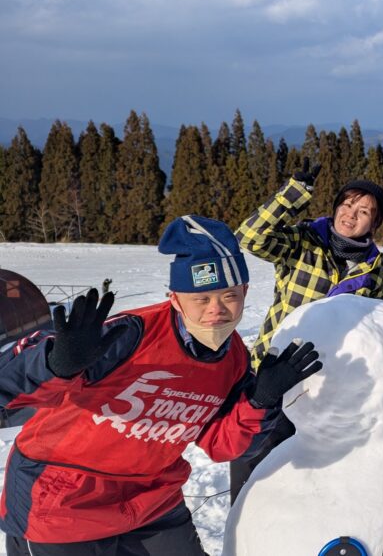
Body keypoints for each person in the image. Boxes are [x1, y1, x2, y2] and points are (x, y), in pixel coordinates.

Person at [0, 215, 321, 556]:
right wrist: (55, 363)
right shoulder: (130, 336)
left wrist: (260, 400)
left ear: (244, 292)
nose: (217, 311)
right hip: (63, 500)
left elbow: (220, 444)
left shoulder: (234, 360)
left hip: (152, 499)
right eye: (202, 299)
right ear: (175, 298)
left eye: (229, 296)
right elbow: (9, 390)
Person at [231, 158, 383, 499]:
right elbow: (249, 237)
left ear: (374, 222)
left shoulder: (373, 271)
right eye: (347, 204)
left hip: (325, 386)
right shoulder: (303, 242)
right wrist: (294, 193)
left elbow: (370, 331)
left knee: (308, 477)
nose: (351, 214)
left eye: (364, 211)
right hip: (272, 373)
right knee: (253, 464)